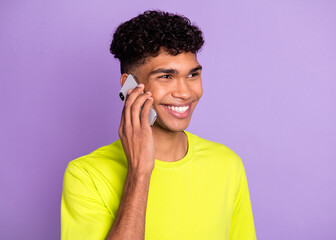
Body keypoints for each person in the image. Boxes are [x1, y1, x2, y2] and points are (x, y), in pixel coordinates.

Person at [61, 10, 256, 240]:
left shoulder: (227, 164)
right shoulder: (86, 175)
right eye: (166, 76)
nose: (185, 92)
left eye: (193, 75)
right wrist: (139, 174)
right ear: (129, 85)